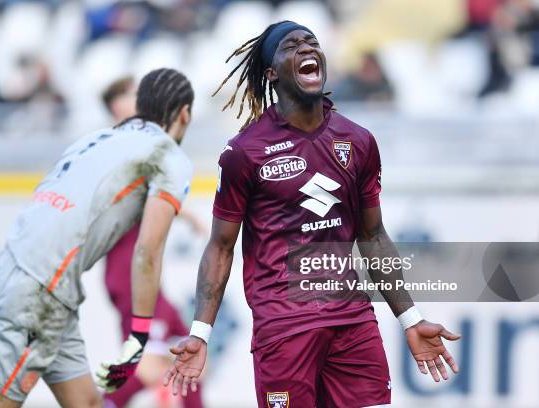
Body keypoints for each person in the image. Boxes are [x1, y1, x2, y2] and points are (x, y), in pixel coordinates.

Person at [164, 21, 461, 407]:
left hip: (352, 323)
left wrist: (410, 318)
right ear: (272, 73)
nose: (306, 48)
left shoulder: (358, 141)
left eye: (312, 42)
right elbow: (221, 245)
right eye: (291, 45)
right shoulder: (244, 152)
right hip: (284, 330)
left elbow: (372, 236)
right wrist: (201, 332)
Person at [0, 68, 194, 408]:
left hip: (33, 283)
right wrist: (139, 333)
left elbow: (40, 210)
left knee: (87, 403)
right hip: (42, 294)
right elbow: (147, 251)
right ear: (184, 114)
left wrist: (1, 298)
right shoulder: (168, 155)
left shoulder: (91, 141)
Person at [101, 76, 205, 408]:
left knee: (187, 352)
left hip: (142, 278)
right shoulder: (117, 149)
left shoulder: (136, 151)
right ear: (118, 107)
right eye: (132, 96)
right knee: (146, 366)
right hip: (130, 276)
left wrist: (186, 216)